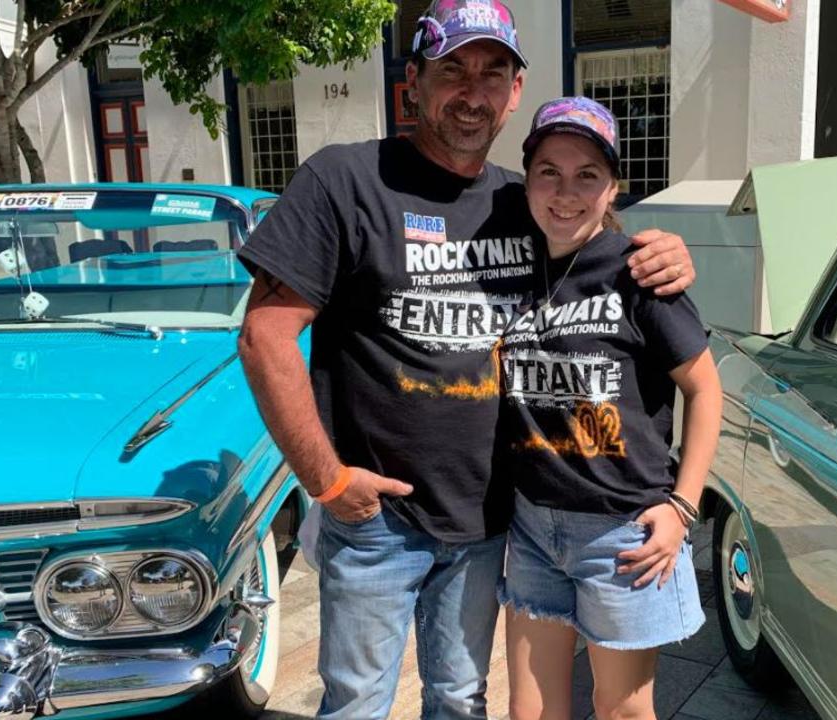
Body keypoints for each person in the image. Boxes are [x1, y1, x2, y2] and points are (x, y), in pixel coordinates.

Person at [234, 1, 696, 718]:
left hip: (487, 518)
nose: (472, 92)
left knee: (460, 698)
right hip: (374, 517)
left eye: (493, 72)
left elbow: (598, 249)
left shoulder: (525, 199)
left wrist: (663, 249)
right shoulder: (346, 181)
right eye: (453, 69)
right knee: (357, 702)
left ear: (516, 92)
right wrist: (324, 481)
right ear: (411, 81)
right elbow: (265, 334)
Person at [496, 97, 722, 720]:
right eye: (549, 171)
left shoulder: (638, 272)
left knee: (622, 711)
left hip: (622, 534)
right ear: (527, 179)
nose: (565, 192)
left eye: (587, 175)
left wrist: (684, 505)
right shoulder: (511, 264)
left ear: (612, 187)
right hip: (534, 526)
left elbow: (706, 390)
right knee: (532, 712)